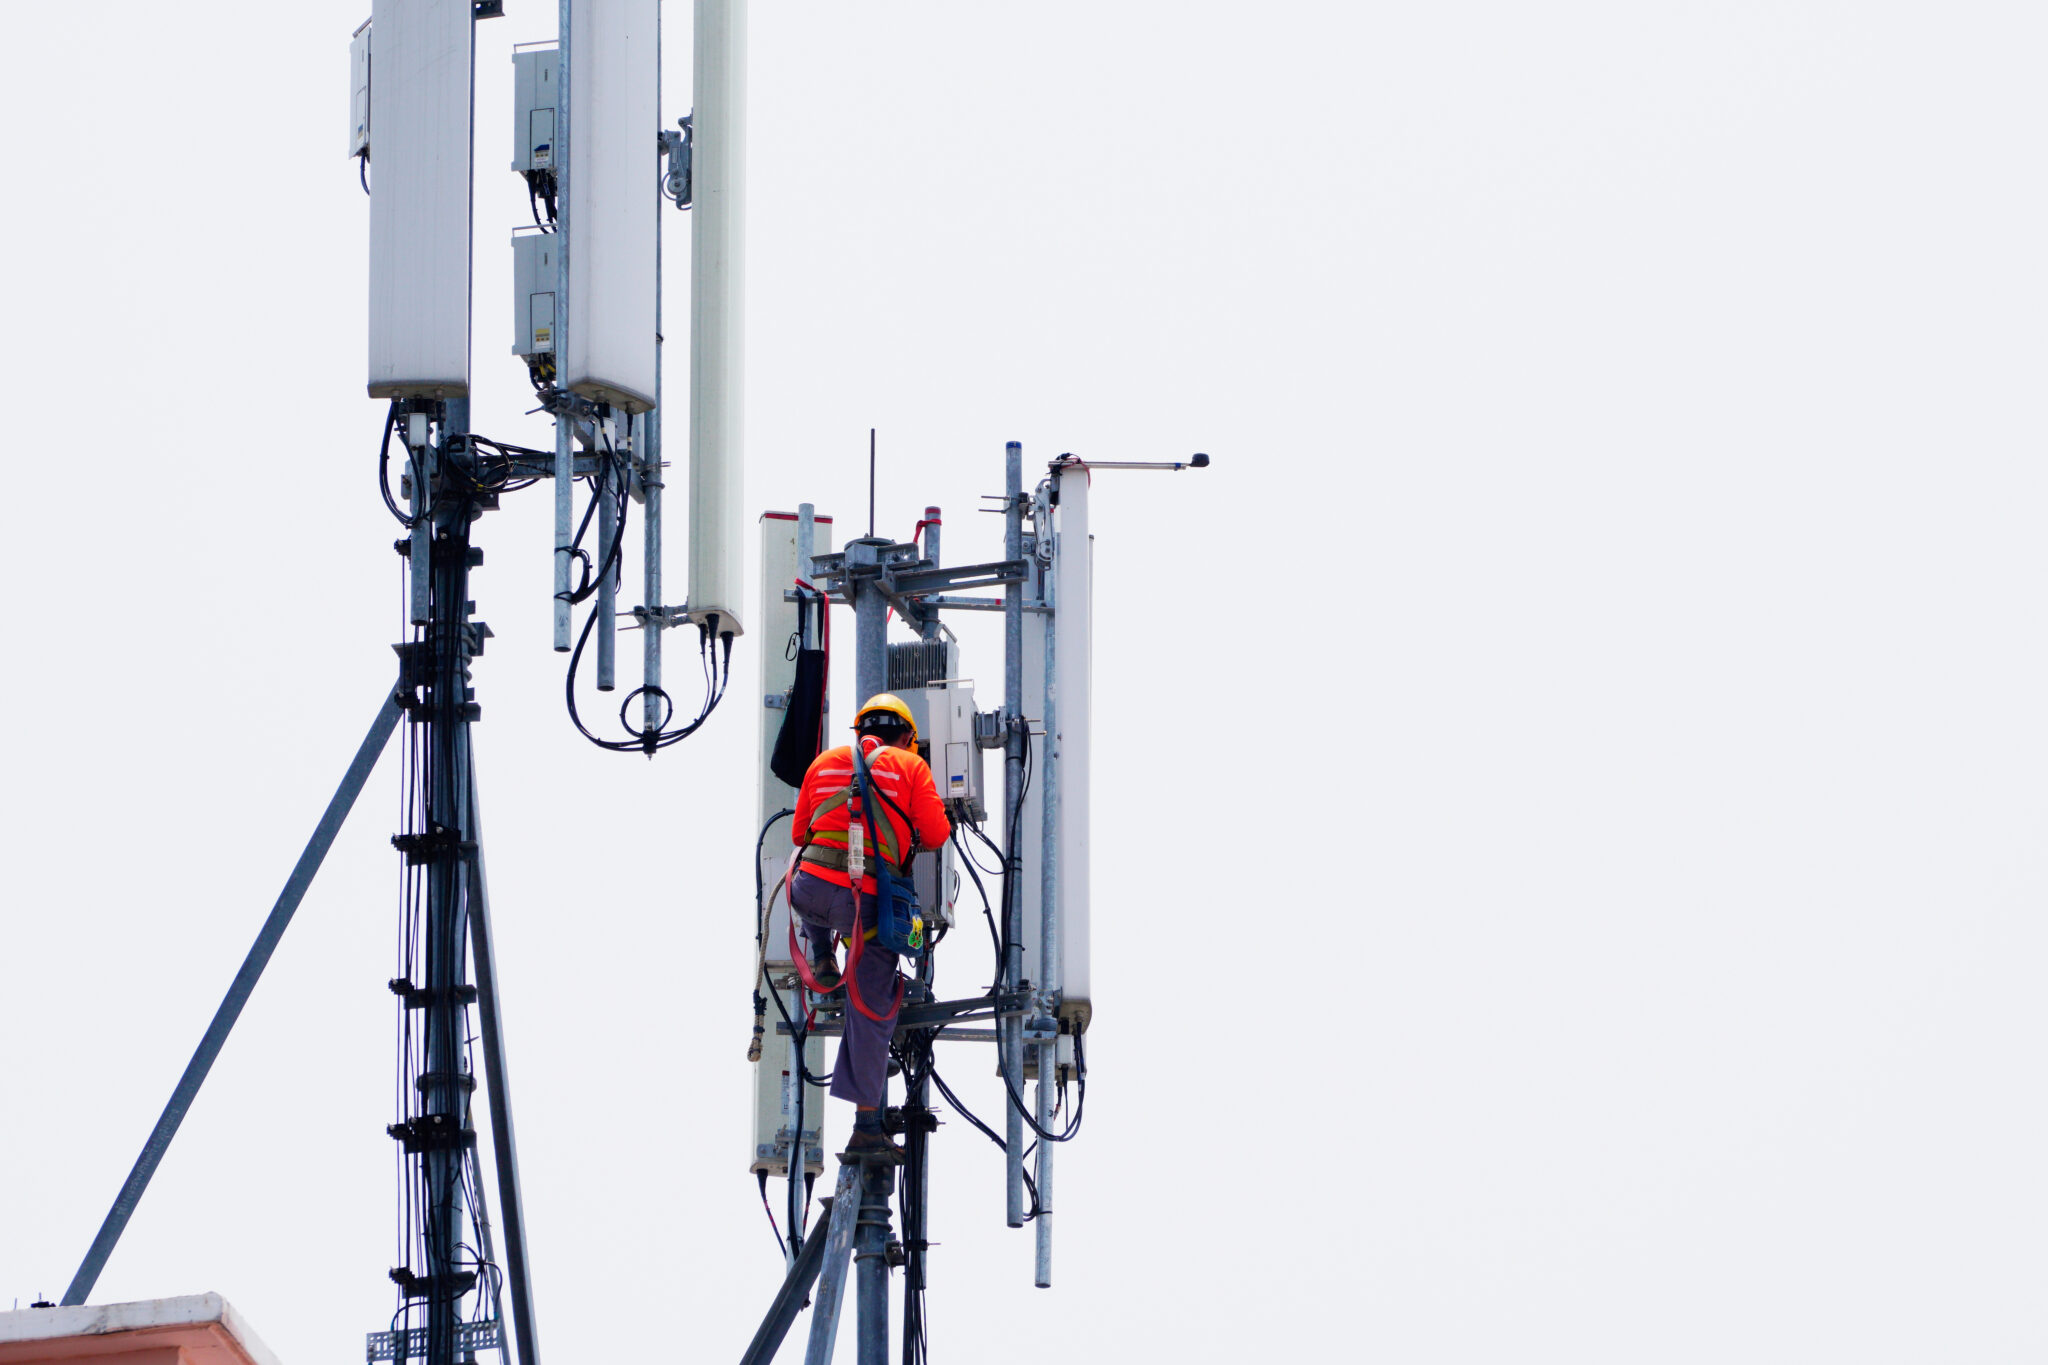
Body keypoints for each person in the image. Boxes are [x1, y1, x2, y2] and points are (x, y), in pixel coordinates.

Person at [790, 693, 953, 1163]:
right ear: (907, 737)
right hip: (863, 908)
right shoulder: (910, 766)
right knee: (871, 1004)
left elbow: (801, 834)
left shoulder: (823, 762)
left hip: (808, 894)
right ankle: (865, 1127)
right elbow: (937, 835)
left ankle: (822, 954)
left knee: (811, 877)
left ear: (859, 730)